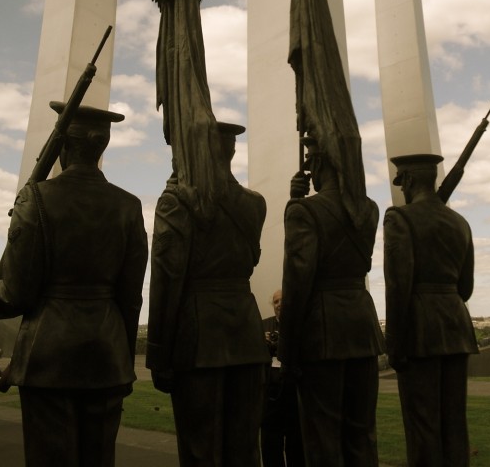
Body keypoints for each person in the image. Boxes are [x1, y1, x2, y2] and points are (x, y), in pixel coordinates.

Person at [0, 101, 148, 467]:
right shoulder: (128, 205)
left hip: (48, 356)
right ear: (101, 147)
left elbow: (14, 295)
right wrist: (124, 361)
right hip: (107, 356)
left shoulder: (35, 199)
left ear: (63, 146)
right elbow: (131, 299)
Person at [146, 121, 269, 467]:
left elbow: (167, 280)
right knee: (245, 448)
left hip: (199, 339)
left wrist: (158, 354)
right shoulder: (254, 204)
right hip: (246, 334)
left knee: (201, 449)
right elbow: (252, 258)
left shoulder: (176, 201)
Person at [278, 137, 384, 467]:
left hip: (322, 334)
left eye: (311, 161)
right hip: (362, 328)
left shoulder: (304, 211)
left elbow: (297, 282)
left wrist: (287, 348)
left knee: (322, 436)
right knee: (361, 432)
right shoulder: (369, 208)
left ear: (320, 164)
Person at [384, 153, 479, 467]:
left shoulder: (400, 218)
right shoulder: (460, 222)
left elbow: (398, 286)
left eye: (402, 182)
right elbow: (465, 288)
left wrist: (395, 346)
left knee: (422, 426)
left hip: (420, 334)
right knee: (454, 423)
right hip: (457, 329)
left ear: (408, 180)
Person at [261, 289, 305, 467]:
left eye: (282, 301)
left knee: (296, 440)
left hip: (293, 389)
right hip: (269, 391)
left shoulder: (298, 327)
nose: (279, 304)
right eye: (276, 301)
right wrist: (262, 342)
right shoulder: (263, 325)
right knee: (270, 440)